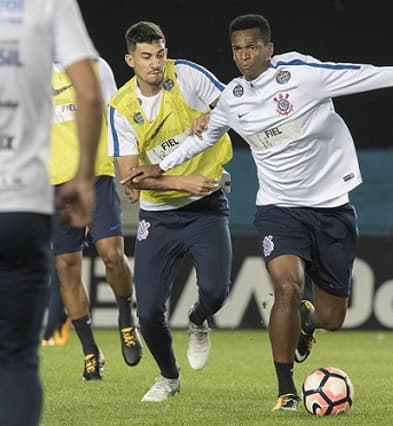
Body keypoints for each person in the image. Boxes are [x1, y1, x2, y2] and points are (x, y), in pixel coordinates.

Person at [122, 14, 393, 411]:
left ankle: (309, 321)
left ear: (270, 48)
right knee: (286, 285)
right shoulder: (234, 97)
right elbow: (203, 138)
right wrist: (161, 167)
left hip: (332, 206)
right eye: (237, 49)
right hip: (278, 208)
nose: (244, 57)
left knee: (333, 317)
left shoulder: (303, 74)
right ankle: (285, 390)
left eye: (252, 47)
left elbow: (371, 75)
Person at [107, 21, 233, 402]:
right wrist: (182, 182)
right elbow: (131, 179)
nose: (156, 63)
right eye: (146, 56)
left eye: (160, 53)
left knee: (214, 292)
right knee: (147, 314)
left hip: (207, 208)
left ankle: (197, 320)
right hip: (159, 216)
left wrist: (215, 114)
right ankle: (168, 377)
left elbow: (237, 102)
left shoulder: (189, 75)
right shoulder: (121, 109)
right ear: (130, 60)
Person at [0, 0, 102, 424]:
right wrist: (82, 179)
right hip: (23, 204)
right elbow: (90, 90)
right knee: (16, 359)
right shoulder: (50, 4)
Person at [49, 58, 143, 377]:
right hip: (54, 182)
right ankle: (90, 350)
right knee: (67, 266)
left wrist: (127, 173)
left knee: (112, 255)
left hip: (95, 175)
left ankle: (126, 318)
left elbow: (116, 119)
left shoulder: (95, 65)